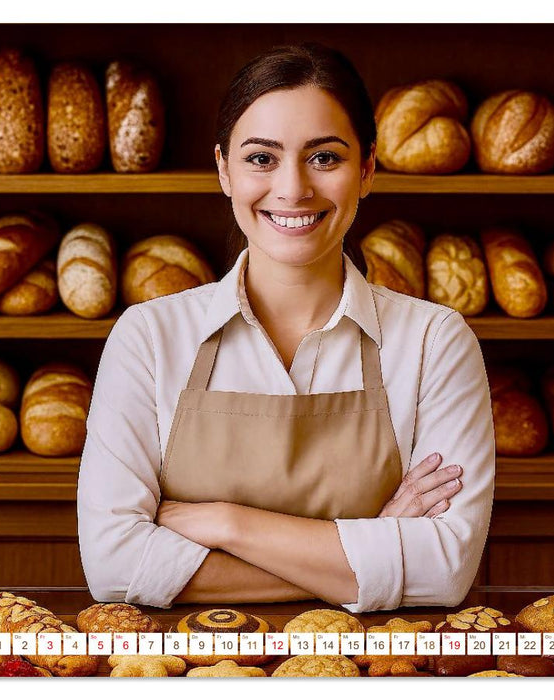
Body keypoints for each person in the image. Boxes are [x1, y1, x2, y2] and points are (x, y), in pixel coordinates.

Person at [77, 43, 495, 612]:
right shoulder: (149, 338)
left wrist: (227, 524)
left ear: (367, 170)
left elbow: (445, 569)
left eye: (324, 157)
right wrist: (370, 546)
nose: (293, 189)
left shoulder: (435, 342)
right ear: (224, 170)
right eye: (261, 158)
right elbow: (114, 568)